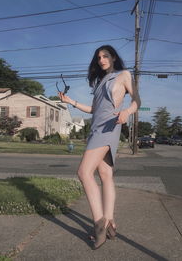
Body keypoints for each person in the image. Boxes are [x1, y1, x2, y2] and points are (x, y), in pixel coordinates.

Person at [59, 45, 141, 250]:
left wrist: (127, 112)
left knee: (84, 172)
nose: (101, 59)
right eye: (99, 57)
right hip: (96, 128)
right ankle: (111, 222)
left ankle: (99, 225)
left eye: (105, 56)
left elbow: (137, 99)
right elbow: (94, 110)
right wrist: (71, 101)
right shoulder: (100, 82)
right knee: (105, 174)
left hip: (110, 128)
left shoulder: (123, 75)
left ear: (113, 57)